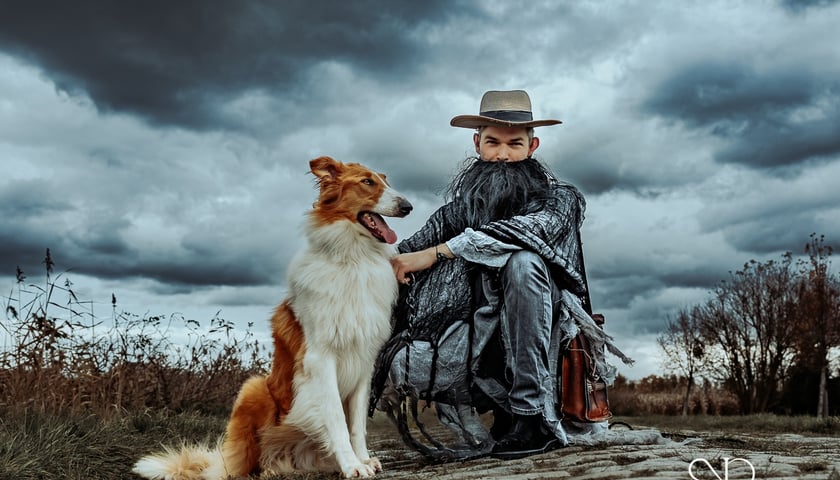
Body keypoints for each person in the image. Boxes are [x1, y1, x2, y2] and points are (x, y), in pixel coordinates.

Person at [373, 90, 628, 460]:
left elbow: (526, 231)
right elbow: (404, 253)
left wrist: (441, 251)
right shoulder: (457, 213)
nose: (503, 155)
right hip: (477, 344)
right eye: (493, 142)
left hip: (550, 344)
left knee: (522, 262)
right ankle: (503, 412)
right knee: (399, 350)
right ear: (477, 143)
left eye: (515, 144)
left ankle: (532, 417)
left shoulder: (561, 200)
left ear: (532, 146)